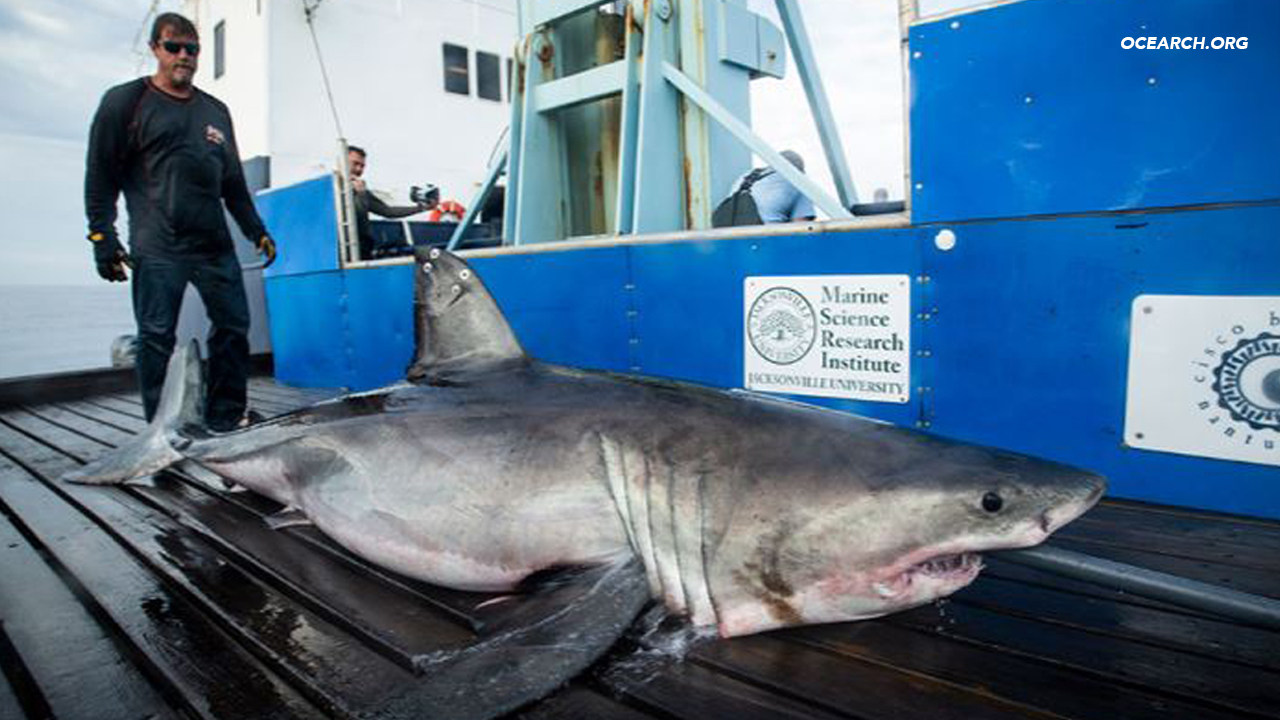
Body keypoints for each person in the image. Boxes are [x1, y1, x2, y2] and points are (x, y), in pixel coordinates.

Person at [84, 12, 276, 431]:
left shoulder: (216, 111)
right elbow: (100, 175)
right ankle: (161, 429)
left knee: (232, 328)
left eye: (192, 49)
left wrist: (256, 230)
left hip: (214, 246)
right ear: (155, 49)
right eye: (174, 47)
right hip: (158, 247)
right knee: (155, 338)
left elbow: (234, 185)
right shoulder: (125, 102)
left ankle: (226, 417)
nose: (184, 56)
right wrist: (103, 236)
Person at [346, 146, 437, 259]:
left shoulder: (362, 192)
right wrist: (359, 195)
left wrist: (421, 207)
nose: (359, 169)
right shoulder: (329, 190)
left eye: (362, 166)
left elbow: (388, 211)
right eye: (355, 164)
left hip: (362, 249)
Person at [712, 150, 817, 227]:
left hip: (726, 238)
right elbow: (802, 226)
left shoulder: (746, 176)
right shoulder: (799, 180)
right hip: (765, 240)